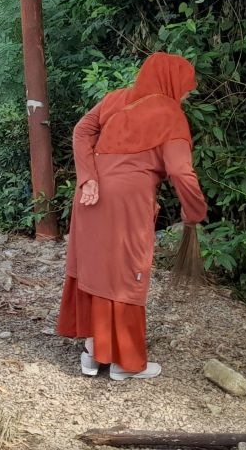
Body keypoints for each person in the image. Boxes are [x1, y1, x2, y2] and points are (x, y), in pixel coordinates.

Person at [57, 52, 208, 381]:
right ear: (172, 83)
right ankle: (125, 363)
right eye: (185, 89)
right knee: (126, 275)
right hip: (128, 204)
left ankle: (94, 353)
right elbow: (181, 172)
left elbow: (82, 131)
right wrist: (194, 210)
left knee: (97, 271)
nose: (184, 95)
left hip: (90, 197)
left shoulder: (116, 99)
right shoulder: (170, 115)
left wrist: (89, 177)